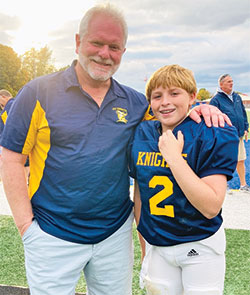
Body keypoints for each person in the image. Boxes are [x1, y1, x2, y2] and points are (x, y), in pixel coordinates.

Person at [0, 4, 231, 295]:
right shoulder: (37, 92)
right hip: (52, 233)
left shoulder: (135, 103)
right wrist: (26, 226)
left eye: (114, 46)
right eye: (97, 43)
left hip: (114, 235)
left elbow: (172, 113)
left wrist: (205, 110)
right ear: (77, 42)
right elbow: (10, 158)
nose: (105, 53)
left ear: (123, 51)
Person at [129, 65, 239, 294]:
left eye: (174, 93)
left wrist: (175, 160)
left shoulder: (211, 131)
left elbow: (210, 206)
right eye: (157, 96)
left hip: (199, 243)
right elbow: (141, 193)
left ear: (192, 96)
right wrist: (145, 245)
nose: (165, 102)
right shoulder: (143, 133)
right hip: (157, 244)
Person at [210, 74, 249, 192]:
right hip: (225, 136)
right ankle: (223, 186)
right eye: (228, 82)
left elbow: (242, 113)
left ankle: (243, 185)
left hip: (239, 134)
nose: (231, 83)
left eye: (232, 81)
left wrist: (246, 128)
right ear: (221, 85)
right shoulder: (216, 100)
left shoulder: (237, 97)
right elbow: (211, 119)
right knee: (225, 160)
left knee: (241, 160)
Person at [0, 89, 30, 182]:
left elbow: (8, 130)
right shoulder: (20, 103)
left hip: (14, 145)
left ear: (2, 96)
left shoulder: (9, 107)